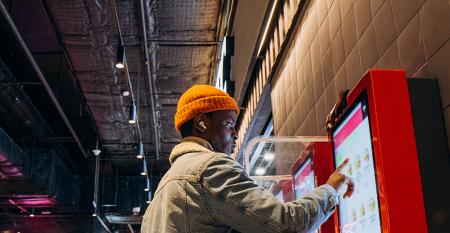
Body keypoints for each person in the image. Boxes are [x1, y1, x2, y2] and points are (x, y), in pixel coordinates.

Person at [141, 84, 354, 233]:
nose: (235, 135)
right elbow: (286, 223)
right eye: (229, 125)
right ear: (202, 123)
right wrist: (333, 189)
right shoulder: (209, 168)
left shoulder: (163, 191)